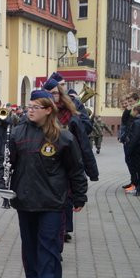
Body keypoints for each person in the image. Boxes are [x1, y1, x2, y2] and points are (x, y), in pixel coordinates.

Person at [0, 89, 87, 278]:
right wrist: (0, 184)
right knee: (29, 241)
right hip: (25, 198)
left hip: (53, 199)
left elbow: (76, 168)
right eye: (29, 106)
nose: (30, 110)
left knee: (49, 242)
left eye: (36, 107)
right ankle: (34, 277)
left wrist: (80, 195)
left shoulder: (62, 136)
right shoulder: (17, 133)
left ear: (48, 110)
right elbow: (4, 161)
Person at [43, 79, 98, 243]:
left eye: (54, 93)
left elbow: (84, 144)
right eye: (48, 93)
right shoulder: (41, 114)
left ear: (60, 94)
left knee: (65, 197)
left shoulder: (71, 117)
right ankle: (56, 229)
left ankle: (63, 229)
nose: (52, 96)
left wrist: (91, 170)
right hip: (45, 162)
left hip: (67, 162)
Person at [124, 104, 140, 194]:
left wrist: (129, 149)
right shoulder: (139, 121)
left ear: (136, 111)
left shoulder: (138, 122)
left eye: (132, 110)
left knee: (136, 168)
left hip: (135, 149)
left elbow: (135, 138)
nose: (131, 112)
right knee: (138, 167)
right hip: (138, 148)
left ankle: (137, 186)